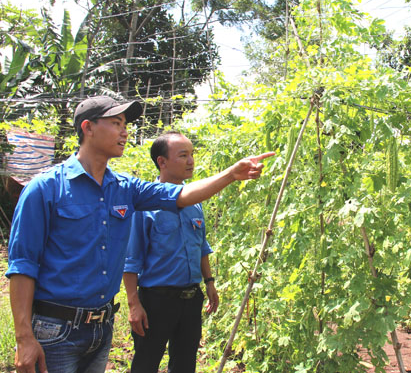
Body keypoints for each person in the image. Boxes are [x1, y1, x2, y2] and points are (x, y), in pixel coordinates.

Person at [6, 96, 274, 373]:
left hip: (101, 328)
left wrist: (231, 174)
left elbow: (181, 194)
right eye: (116, 123)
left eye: (125, 124)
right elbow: (23, 266)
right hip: (56, 329)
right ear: (88, 128)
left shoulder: (125, 188)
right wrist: (24, 337)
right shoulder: (44, 189)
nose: (125, 131)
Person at [123, 131, 219, 373]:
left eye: (192, 155)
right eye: (183, 155)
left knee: (185, 363)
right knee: (146, 362)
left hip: (190, 298)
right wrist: (134, 304)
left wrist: (209, 283)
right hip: (156, 300)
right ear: (162, 162)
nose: (191, 161)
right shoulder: (145, 206)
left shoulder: (195, 202)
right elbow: (131, 259)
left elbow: (201, 246)